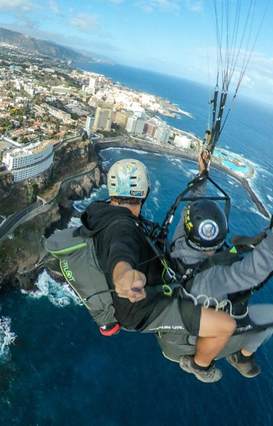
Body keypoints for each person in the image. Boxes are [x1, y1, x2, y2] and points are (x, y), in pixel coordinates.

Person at [81, 158, 236, 383]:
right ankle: (199, 366)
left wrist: (201, 178)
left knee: (187, 235)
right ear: (146, 192)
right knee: (225, 325)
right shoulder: (121, 227)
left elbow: (189, 212)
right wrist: (123, 275)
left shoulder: (105, 214)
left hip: (150, 282)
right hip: (142, 309)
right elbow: (120, 250)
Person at [166, 151, 273, 378]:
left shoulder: (180, 240)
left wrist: (202, 174)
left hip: (179, 315)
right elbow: (256, 270)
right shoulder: (214, 279)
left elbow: (191, 205)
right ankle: (236, 357)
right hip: (191, 340)